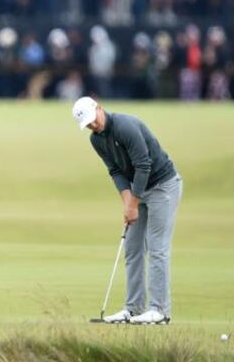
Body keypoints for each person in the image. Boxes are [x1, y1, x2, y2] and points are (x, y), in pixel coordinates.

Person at [72, 96, 183, 325]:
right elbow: (115, 170)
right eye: (88, 125)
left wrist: (133, 203)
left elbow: (144, 165)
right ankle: (133, 309)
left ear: (99, 108)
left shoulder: (125, 126)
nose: (94, 125)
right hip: (137, 190)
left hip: (163, 186)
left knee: (157, 247)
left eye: (94, 120)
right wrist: (126, 202)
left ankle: (159, 310)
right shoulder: (96, 140)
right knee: (132, 247)